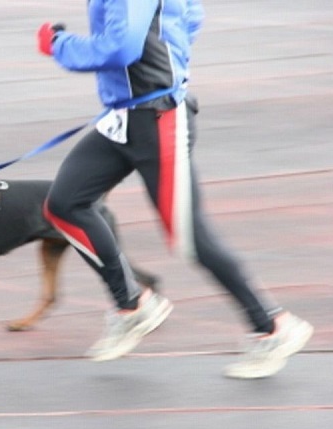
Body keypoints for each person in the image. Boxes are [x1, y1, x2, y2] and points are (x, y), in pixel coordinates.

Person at [35, 0, 313, 379]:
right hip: (125, 117)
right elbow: (192, 15)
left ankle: (272, 327)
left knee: (189, 237)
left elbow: (120, 47)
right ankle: (133, 306)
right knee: (65, 204)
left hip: (157, 120)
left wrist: (59, 44)